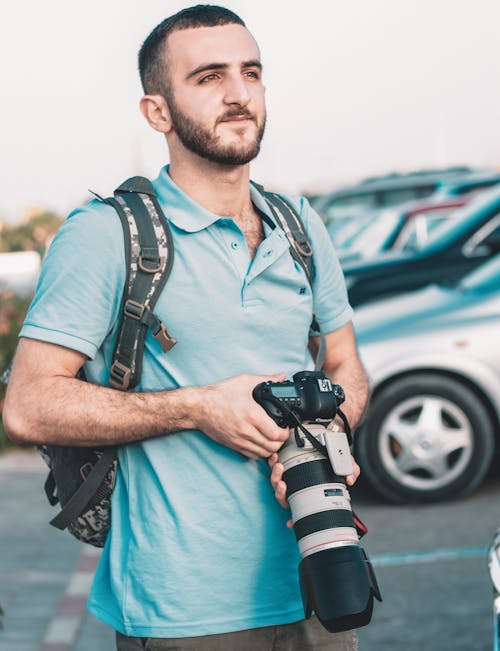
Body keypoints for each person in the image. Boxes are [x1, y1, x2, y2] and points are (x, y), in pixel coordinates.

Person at [3, 5, 369, 650]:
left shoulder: (300, 224)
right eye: (208, 77)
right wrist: (199, 407)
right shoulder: (103, 235)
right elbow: (29, 406)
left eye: (250, 72)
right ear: (158, 112)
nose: (238, 93)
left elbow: (345, 363)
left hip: (321, 580)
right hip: (184, 610)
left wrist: (330, 431)